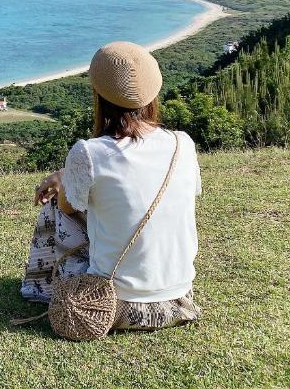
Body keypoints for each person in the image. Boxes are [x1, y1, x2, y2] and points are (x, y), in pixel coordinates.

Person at [21, 41, 202, 332]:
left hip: (108, 304)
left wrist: (62, 178)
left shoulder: (89, 152)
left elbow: (70, 207)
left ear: (98, 95)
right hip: (178, 300)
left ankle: (42, 288)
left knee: (56, 207)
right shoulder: (183, 143)